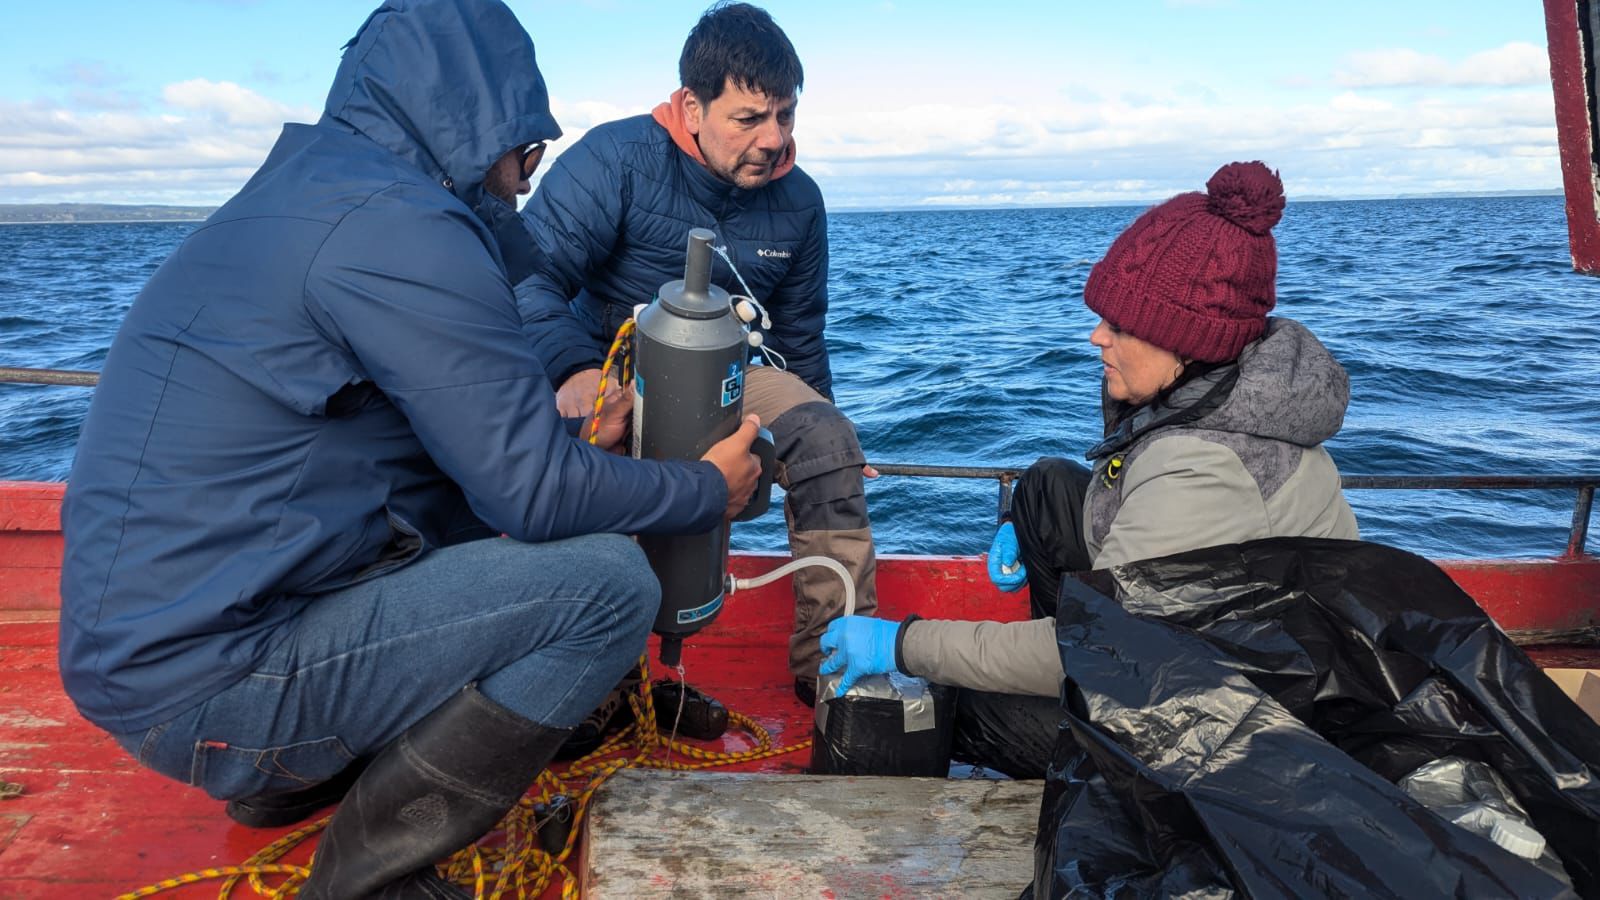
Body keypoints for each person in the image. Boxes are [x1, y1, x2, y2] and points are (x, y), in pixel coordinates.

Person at [57, 1, 760, 897]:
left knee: (481, 530)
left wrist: (564, 437)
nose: (520, 186)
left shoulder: (303, 195)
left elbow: (419, 450)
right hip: (211, 686)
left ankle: (299, 776)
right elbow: (532, 500)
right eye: (524, 153)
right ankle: (367, 876)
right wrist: (704, 488)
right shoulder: (407, 229)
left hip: (142, 655)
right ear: (474, 130)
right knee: (608, 586)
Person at [818, 161, 1360, 777]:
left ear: (1186, 340)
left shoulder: (1205, 469)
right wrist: (1023, 527)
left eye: (1122, 326)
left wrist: (904, 643)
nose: (1097, 337)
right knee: (1047, 485)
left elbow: (1103, 647)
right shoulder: (1217, 391)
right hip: (1206, 641)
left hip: (1231, 729)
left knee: (944, 702)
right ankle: (1064, 689)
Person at [516, 1, 876, 707]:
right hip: (608, 373)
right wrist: (573, 369)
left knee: (827, 437)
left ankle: (831, 673)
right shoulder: (613, 160)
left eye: (787, 116)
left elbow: (800, 335)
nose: (773, 140)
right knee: (603, 443)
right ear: (691, 107)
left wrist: (828, 418)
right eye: (749, 119)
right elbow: (528, 278)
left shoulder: (799, 201)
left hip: (729, 377)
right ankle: (606, 687)